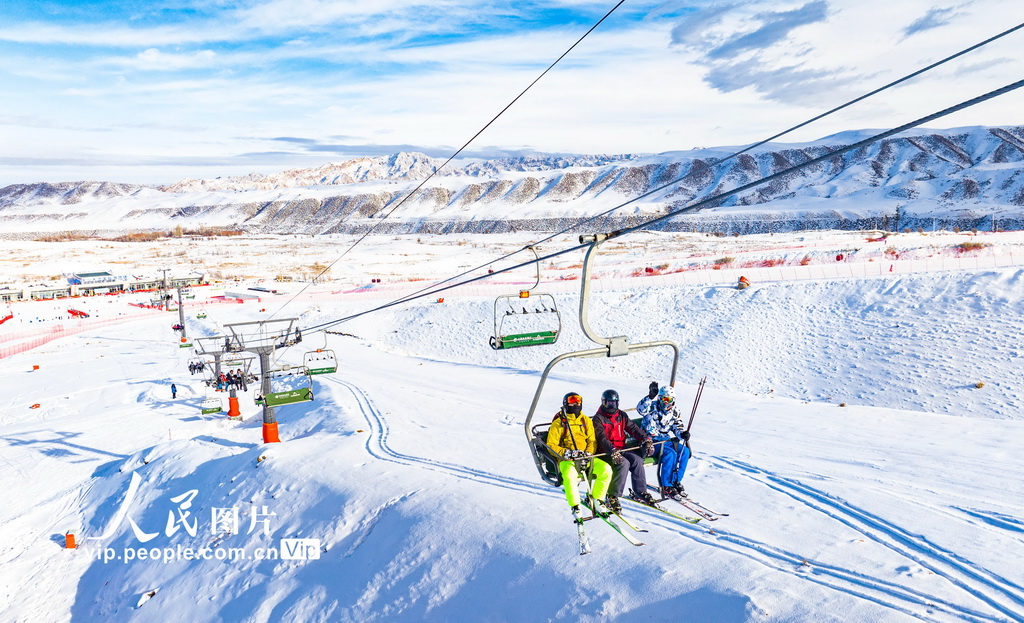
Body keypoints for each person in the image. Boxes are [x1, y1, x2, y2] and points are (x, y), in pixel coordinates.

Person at [546, 392, 614, 524]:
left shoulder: (586, 421)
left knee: (606, 470)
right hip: (568, 460)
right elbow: (551, 445)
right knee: (570, 476)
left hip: (585, 458)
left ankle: (598, 499)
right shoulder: (559, 423)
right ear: (566, 403)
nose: (575, 404)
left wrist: (588, 454)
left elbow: (592, 441)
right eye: (572, 401)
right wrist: (567, 453)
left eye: (578, 401)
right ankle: (575, 506)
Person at [592, 389, 656, 511]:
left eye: (614, 403)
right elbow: (601, 438)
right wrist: (612, 449)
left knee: (637, 460)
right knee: (623, 463)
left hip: (621, 448)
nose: (612, 406)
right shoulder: (598, 418)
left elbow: (633, 428)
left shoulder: (621, 415)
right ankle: (612, 496)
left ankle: (640, 492)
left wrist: (645, 439)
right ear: (603, 402)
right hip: (605, 452)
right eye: (609, 403)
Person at [637, 382, 692, 500]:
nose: (665, 402)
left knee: (685, 452)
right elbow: (640, 410)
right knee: (670, 454)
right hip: (650, 442)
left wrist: (682, 433)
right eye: (662, 399)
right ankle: (666, 485)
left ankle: (675, 481)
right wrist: (650, 397)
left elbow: (677, 426)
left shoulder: (675, 411)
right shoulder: (652, 407)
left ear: (673, 400)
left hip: (665, 440)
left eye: (668, 399)